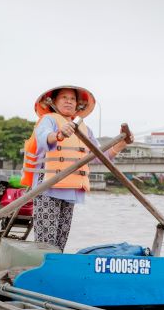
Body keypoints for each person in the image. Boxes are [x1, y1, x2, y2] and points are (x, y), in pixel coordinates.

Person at [20, 85, 132, 252]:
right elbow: (44, 137)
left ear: (77, 105)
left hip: (70, 190)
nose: (69, 101)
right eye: (64, 98)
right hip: (47, 188)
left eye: (72, 99)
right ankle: (43, 270)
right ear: (53, 102)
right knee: (46, 241)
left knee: (60, 240)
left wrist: (122, 144)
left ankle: (56, 271)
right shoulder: (49, 120)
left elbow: (98, 156)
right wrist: (58, 134)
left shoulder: (84, 129)